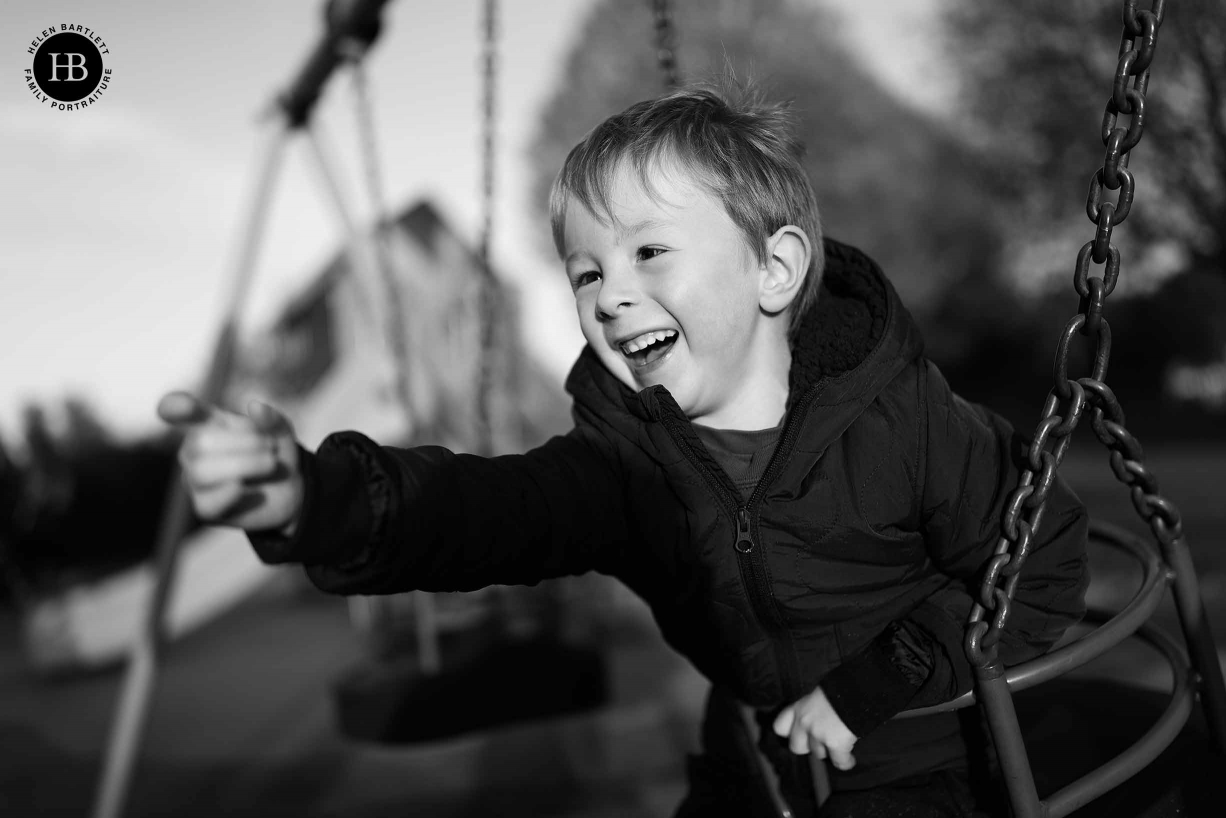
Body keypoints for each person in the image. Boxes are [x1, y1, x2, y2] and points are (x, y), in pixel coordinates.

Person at [157, 81, 1088, 817]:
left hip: (919, 748)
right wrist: (311, 499)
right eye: (588, 272)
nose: (609, 295)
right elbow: (486, 511)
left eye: (650, 254)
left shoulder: (903, 420)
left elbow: (1038, 559)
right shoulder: (624, 460)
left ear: (774, 269)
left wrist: (886, 676)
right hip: (756, 745)